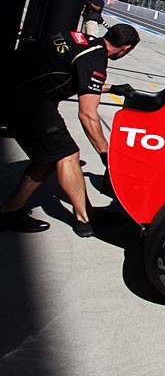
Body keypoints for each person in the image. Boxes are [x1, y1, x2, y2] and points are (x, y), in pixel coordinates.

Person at [0, 24, 140, 237]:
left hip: (19, 89)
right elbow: (87, 115)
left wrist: (113, 88)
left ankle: (10, 211)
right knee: (68, 154)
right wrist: (106, 154)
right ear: (125, 48)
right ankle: (86, 220)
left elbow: (78, 76)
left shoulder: (85, 41)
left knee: (47, 158)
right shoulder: (94, 59)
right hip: (26, 99)